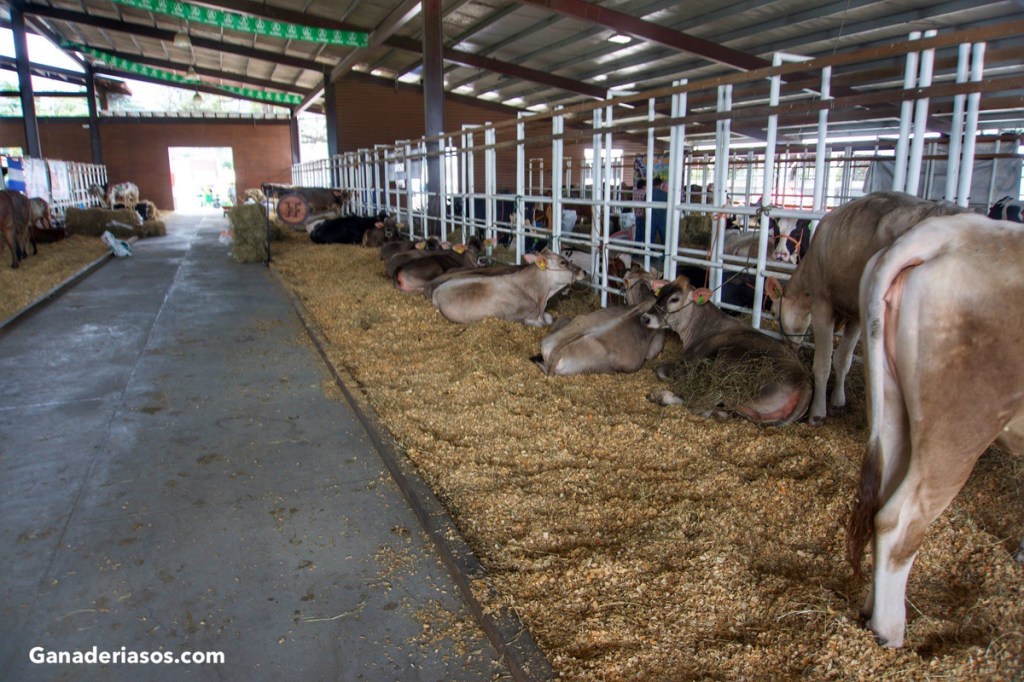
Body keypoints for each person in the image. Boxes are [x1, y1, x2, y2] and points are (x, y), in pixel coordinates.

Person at [650, 176, 668, 245]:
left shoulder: (649, 194)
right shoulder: (665, 194)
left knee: (651, 238)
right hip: (662, 219)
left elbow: (644, 207)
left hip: (651, 219)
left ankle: (650, 254)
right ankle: (664, 253)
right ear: (661, 184)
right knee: (664, 238)